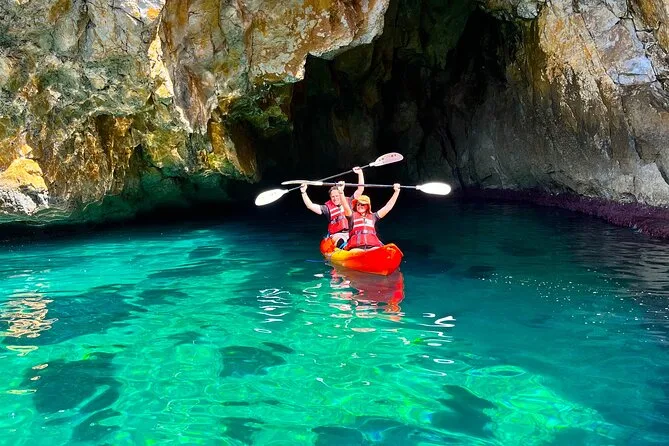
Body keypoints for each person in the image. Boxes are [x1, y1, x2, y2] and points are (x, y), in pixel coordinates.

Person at [300, 166, 365, 248]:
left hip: (352, 232)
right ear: (330, 198)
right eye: (333, 197)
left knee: (361, 237)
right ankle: (344, 247)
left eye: (337, 196)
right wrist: (303, 192)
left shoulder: (349, 201)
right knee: (341, 240)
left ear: (340, 194)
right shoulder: (327, 208)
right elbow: (310, 206)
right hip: (338, 234)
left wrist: (360, 173)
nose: (335, 198)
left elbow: (360, 189)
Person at [341, 183, 400, 250]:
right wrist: (341, 192)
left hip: (372, 247)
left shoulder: (373, 216)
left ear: (367, 206)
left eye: (362, 204)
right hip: (356, 248)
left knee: (379, 250)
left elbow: (388, 207)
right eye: (358, 204)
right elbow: (345, 206)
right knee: (357, 251)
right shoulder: (351, 216)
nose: (360, 206)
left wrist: (396, 192)